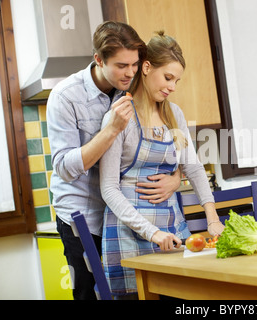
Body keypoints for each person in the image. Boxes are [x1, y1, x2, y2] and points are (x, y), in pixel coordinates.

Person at [46, 22, 181, 300]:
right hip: (83, 216)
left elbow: (166, 144)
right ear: (98, 59)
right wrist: (111, 130)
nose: (130, 72)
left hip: (122, 217)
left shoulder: (132, 88)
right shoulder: (65, 97)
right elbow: (63, 168)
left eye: (135, 64)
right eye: (121, 65)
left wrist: (177, 178)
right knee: (90, 294)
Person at [99, 31, 225, 298]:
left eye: (177, 81)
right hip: (129, 233)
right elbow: (109, 188)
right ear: (146, 67)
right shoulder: (120, 116)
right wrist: (152, 233)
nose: (172, 87)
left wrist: (212, 219)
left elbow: (192, 167)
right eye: (168, 77)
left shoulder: (173, 114)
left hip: (172, 227)